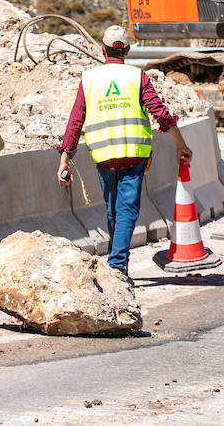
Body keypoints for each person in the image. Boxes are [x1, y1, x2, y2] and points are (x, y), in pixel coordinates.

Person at [57, 25, 192, 280]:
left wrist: (65, 158)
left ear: (102, 48)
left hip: (104, 157)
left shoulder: (89, 79)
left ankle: (117, 264)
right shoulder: (136, 76)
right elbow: (161, 114)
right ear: (128, 50)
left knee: (113, 210)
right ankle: (118, 267)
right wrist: (181, 145)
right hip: (133, 155)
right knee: (126, 209)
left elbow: (75, 122)